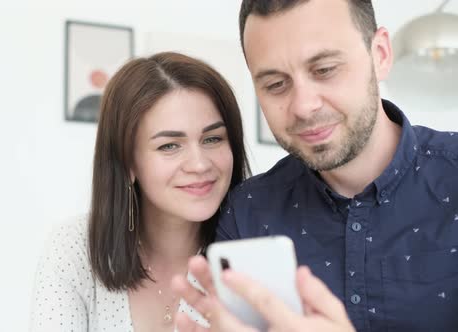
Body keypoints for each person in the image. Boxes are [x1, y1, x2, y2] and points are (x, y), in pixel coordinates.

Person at [173, 0, 458, 331]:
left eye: (324, 70)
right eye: (275, 84)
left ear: (379, 54)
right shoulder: (246, 213)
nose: (304, 106)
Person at [29, 51, 251, 332]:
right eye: (169, 145)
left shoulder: (250, 258)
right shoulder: (74, 248)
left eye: (212, 138)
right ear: (127, 161)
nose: (199, 164)